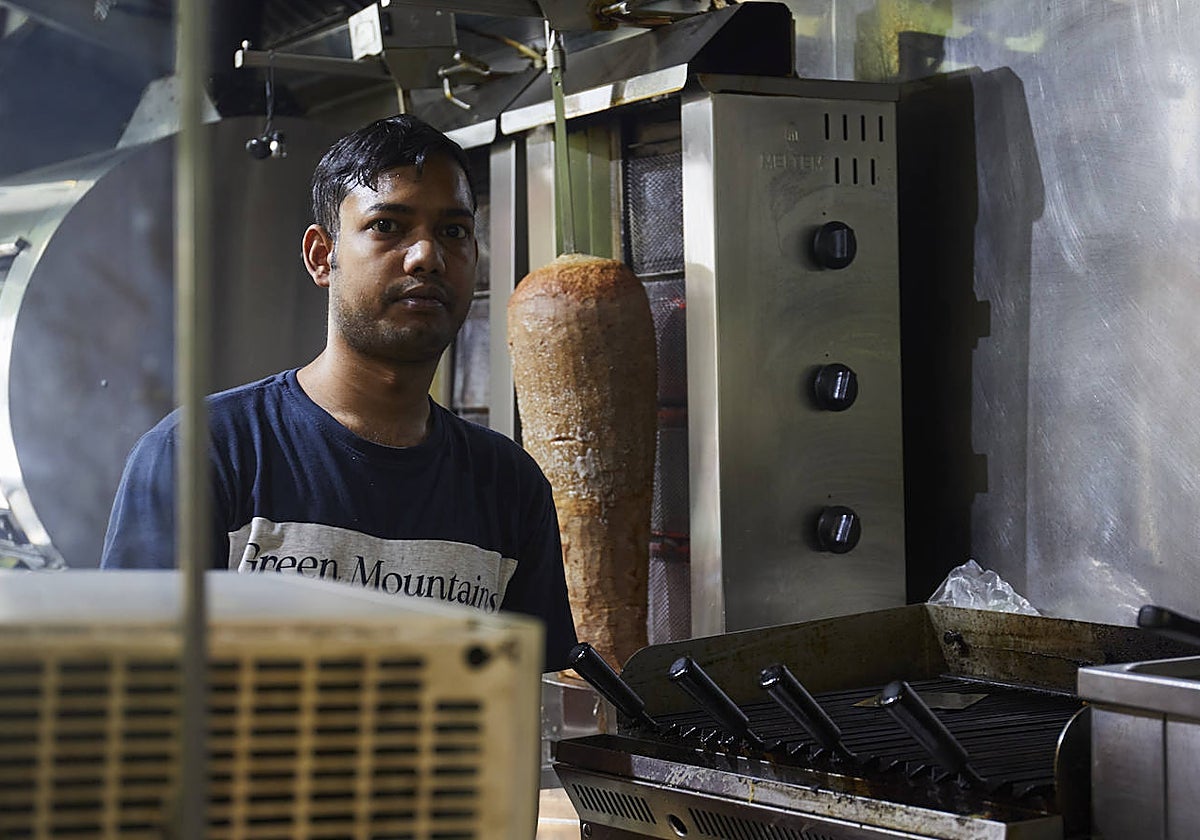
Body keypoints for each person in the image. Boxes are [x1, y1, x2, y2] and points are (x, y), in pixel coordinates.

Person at [101, 114, 578, 672]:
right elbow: (126, 693)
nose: (427, 256)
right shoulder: (205, 454)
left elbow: (535, 705)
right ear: (321, 256)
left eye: (452, 231)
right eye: (387, 226)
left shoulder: (508, 485)